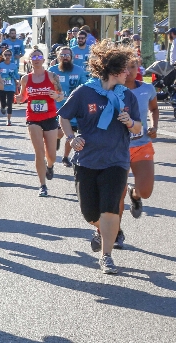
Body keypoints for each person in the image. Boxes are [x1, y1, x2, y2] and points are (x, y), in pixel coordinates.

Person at [58, 42, 141, 274]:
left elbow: (138, 128)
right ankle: (108, 230)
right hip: (87, 161)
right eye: (126, 68)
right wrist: (71, 138)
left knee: (109, 210)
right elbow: (64, 117)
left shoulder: (128, 97)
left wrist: (130, 122)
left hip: (116, 161)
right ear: (114, 70)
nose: (129, 73)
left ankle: (106, 256)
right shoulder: (85, 92)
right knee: (90, 213)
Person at [116, 56, 158, 246]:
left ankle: (135, 195)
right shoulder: (113, 90)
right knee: (117, 194)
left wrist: (154, 126)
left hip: (142, 145)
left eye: (133, 67)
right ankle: (115, 232)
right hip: (118, 148)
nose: (129, 71)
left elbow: (154, 108)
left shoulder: (147, 89)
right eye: (125, 67)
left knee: (146, 191)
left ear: (138, 67)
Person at [19, 49, 64, 197]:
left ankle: (50, 166)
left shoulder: (52, 76)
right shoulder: (25, 79)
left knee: (51, 154)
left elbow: (61, 96)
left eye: (39, 56)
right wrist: (18, 98)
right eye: (33, 57)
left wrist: (55, 95)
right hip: (33, 119)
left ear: (43, 60)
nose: (36, 59)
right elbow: (22, 96)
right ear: (29, 60)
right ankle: (42, 185)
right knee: (39, 152)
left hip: (50, 117)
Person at [48, 46, 88, 167]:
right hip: (56, 107)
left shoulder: (79, 70)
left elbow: (84, 87)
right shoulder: (52, 70)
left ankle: (65, 157)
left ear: (72, 57)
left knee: (70, 134)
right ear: (58, 57)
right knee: (59, 133)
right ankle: (56, 139)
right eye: (62, 55)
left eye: (67, 55)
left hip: (74, 108)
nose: (65, 57)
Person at [0, 48, 20, 125]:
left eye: (9, 55)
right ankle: (3, 107)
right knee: (3, 103)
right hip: (1, 87)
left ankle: (8, 120)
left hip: (11, 87)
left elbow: (17, 76)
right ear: (3, 56)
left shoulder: (14, 66)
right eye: (6, 55)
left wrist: (18, 81)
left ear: (11, 56)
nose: (7, 56)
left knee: (9, 103)